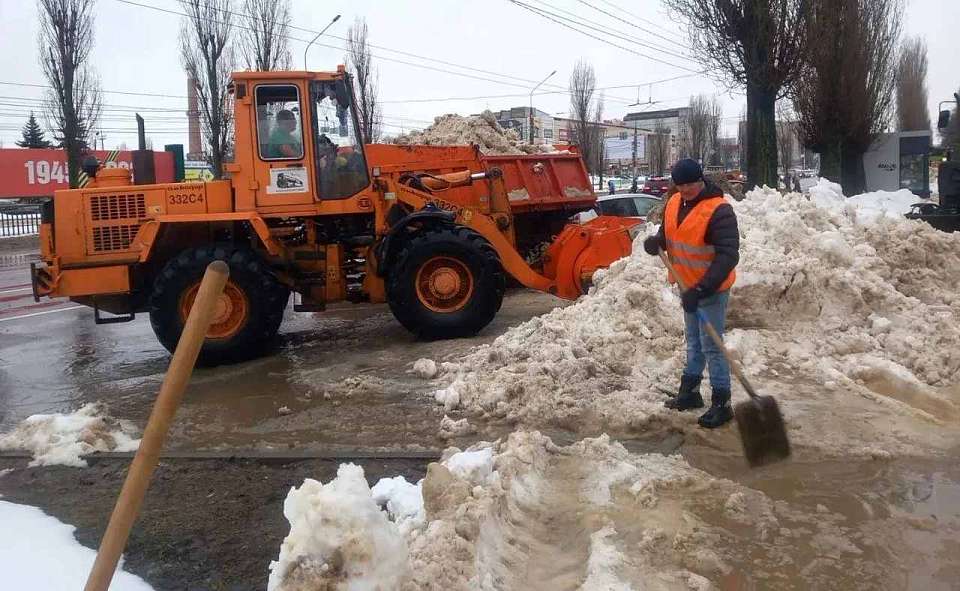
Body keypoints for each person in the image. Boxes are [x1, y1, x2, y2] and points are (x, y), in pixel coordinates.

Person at [643, 158, 740, 429]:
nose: (685, 190)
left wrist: (701, 289)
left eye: (690, 185)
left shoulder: (719, 210)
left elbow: (728, 256)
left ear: (701, 180)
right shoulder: (674, 202)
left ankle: (722, 402)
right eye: (680, 185)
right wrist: (657, 242)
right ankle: (690, 392)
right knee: (694, 341)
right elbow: (669, 234)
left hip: (711, 288)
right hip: (688, 288)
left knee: (712, 344)